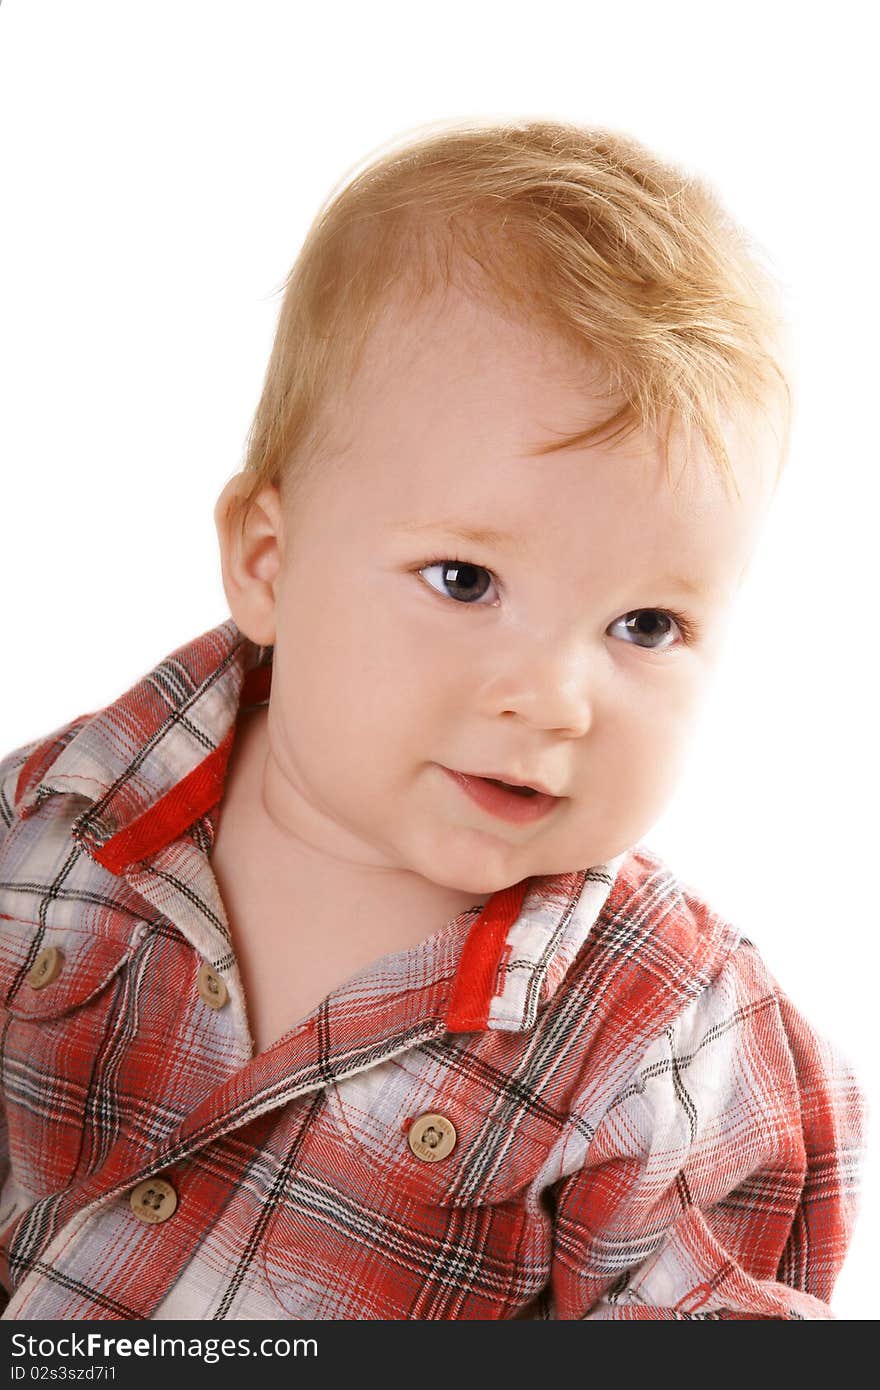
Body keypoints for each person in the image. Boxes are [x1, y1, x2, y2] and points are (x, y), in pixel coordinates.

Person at [0, 119, 864, 1320]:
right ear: (268, 558)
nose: (557, 699)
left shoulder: (667, 1042)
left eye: (648, 625)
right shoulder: (50, 822)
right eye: (465, 580)